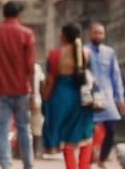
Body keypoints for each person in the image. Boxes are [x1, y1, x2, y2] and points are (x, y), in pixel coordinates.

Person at [0, 1, 36, 169]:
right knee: (24, 129)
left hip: (0, 89)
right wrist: (33, 92)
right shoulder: (27, 34)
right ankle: (28, 164)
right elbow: (30, 66)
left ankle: (6, 165)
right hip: (21, 89)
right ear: (19, 14)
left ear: (4, 14)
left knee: (3, 129)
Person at [42, 23, 95, 169]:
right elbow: (92, 77)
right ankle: (84, 166)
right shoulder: (87, 53)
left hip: (61, 99)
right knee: (86, 134)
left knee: (66, 138)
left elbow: (50, 80)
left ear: (64, 36)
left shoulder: (54, 55)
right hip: (84, 98)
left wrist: (45, 99)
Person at [86, 23, 125, 169]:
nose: (98, 36)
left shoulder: (109, 52)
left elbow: (116, 76)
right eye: (95, 33)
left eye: (101, 33)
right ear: (90, 34)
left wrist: (120, 98)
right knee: (87, 131)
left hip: (107, 97)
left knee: (111, 129)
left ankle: (102, 158)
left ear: (104, 35)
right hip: (89, 97)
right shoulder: (84, 51)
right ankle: (88, 160)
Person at [31, 63, 45, 159]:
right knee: (37, 128)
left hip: (22, 100)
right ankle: (35, 152)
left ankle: (21, 152)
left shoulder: (17, 64)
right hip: (36, 100)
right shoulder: (37, 66)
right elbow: (42, 83)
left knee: (23, 126)